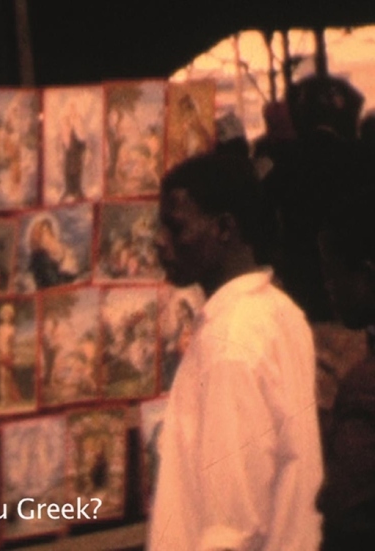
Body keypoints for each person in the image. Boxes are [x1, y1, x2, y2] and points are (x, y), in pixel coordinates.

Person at [148, 152, 323, 550]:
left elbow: (233, 525)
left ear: (224, 228)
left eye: (176, 227)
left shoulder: (230, 339)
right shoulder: (280, 311)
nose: (159, 241)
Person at [316, 185, 375, 550]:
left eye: (332, 272)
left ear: (367, 275)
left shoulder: (363, 387)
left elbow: (343, 512)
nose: (328, 287)